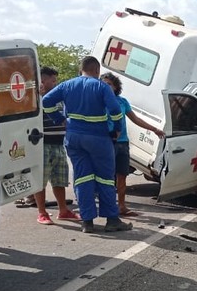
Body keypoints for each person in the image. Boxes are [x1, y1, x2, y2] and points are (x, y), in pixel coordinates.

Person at [42, 56, 130, 234]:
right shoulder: (101, 86)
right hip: (98, 138)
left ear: (80, 69)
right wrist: (117, 130)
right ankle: (112, 220)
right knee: (105, 178)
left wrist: (59, 119)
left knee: (82, 178)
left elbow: (46, 101)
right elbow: (114, 111)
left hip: (74, 138)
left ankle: (87, 222)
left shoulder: (67, 85)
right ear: (97, 71)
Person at [100, 72, 164, 217]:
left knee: (122, 176)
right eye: (103, 83)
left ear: (116, 86)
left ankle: (122, 206)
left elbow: (135, 119)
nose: (106, 86)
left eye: (109, 83)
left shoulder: (122, 102)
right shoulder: (99, 102)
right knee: (107, 177)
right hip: (107, 142)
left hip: (122, 143)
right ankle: (109, 207)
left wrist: (154, 129)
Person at [32, 66, 81, 225]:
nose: (55, 83)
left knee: (60, 180)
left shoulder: (58, 98)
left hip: (59, 144)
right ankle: (42, 212)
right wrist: (37, 95)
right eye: (53, 81)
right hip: (43, 144)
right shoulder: (35, 98)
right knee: (41, 180)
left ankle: (63, 210)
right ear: (43, 81)